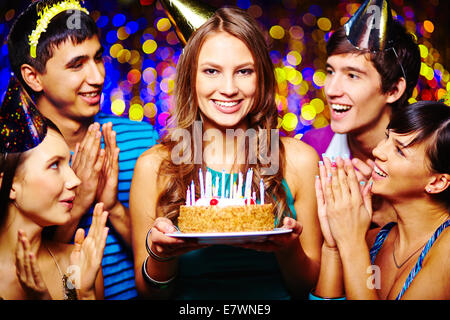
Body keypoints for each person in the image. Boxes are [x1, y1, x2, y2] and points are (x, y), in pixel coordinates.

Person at [130, 6, 322, 300]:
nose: (229, 88)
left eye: (244, 71)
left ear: (261, 78)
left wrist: (288, 248)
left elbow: (305, 287)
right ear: (190, 79)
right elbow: (151, 297)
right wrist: (160, 254)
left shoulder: (299, 160)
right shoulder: (155, 166)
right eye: (211, 71)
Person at [7, 0, 159, 299]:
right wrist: (79, 202)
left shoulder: (141, 141)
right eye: (77, 65)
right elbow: (20, 268)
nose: (98, 77)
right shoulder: (14, 156)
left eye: (98, 58)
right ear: (33, 76)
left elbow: (163, 261)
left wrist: (112, 208)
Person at [313, 101, 449, 300]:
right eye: (387, 138)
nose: (378, 151)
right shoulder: (373, 240)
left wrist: (351, 243)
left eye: (400, 150)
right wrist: (333, 246)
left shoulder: (446, 251)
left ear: (437, 182)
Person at [301, 0, 421, 227]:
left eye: (352, 75)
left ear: (394, 90)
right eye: (330, 71)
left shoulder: (425, 159)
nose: (331, 90)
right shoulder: (313, 149)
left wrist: (387, 216)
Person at [0, 77, 108, 300]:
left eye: (68, 164)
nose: (75, 180)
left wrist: (85, 294)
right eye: (54, 165)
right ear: (9, 185)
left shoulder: (74, 266)